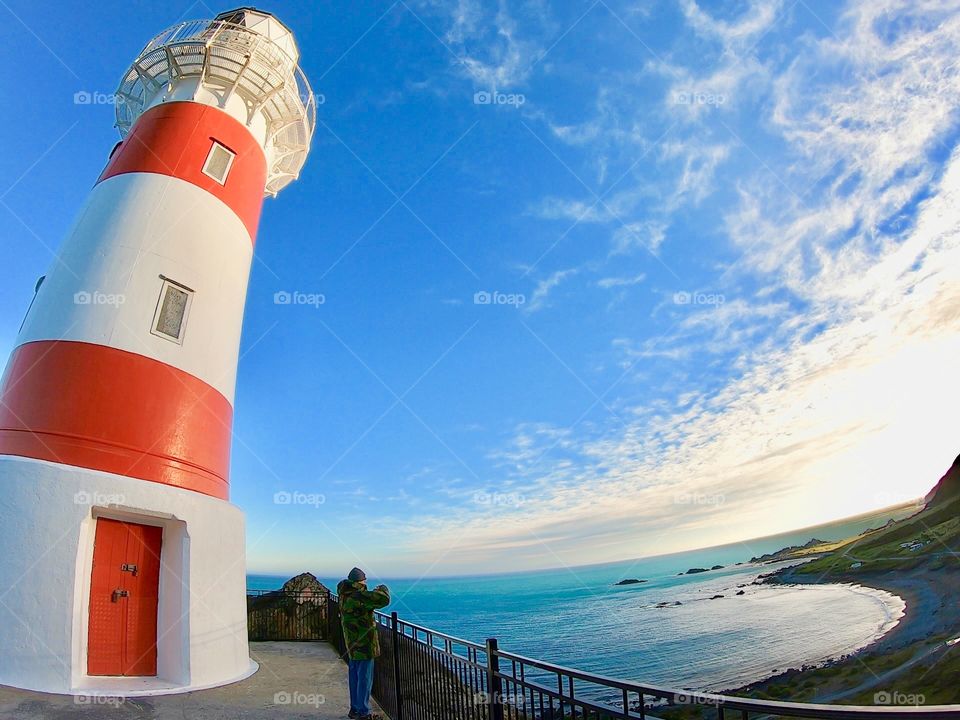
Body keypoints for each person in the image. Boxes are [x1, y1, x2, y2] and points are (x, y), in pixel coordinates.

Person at [337, 567, 390, 720]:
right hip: (364, 645)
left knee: (355, 677)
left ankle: (355, 709)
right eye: (364, 581)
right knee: (365, 679)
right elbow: (384, 599)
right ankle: (364, 713)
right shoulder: (359, 596)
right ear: (360, 582)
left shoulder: (343, 595)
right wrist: (382, 588)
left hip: (352, 644)